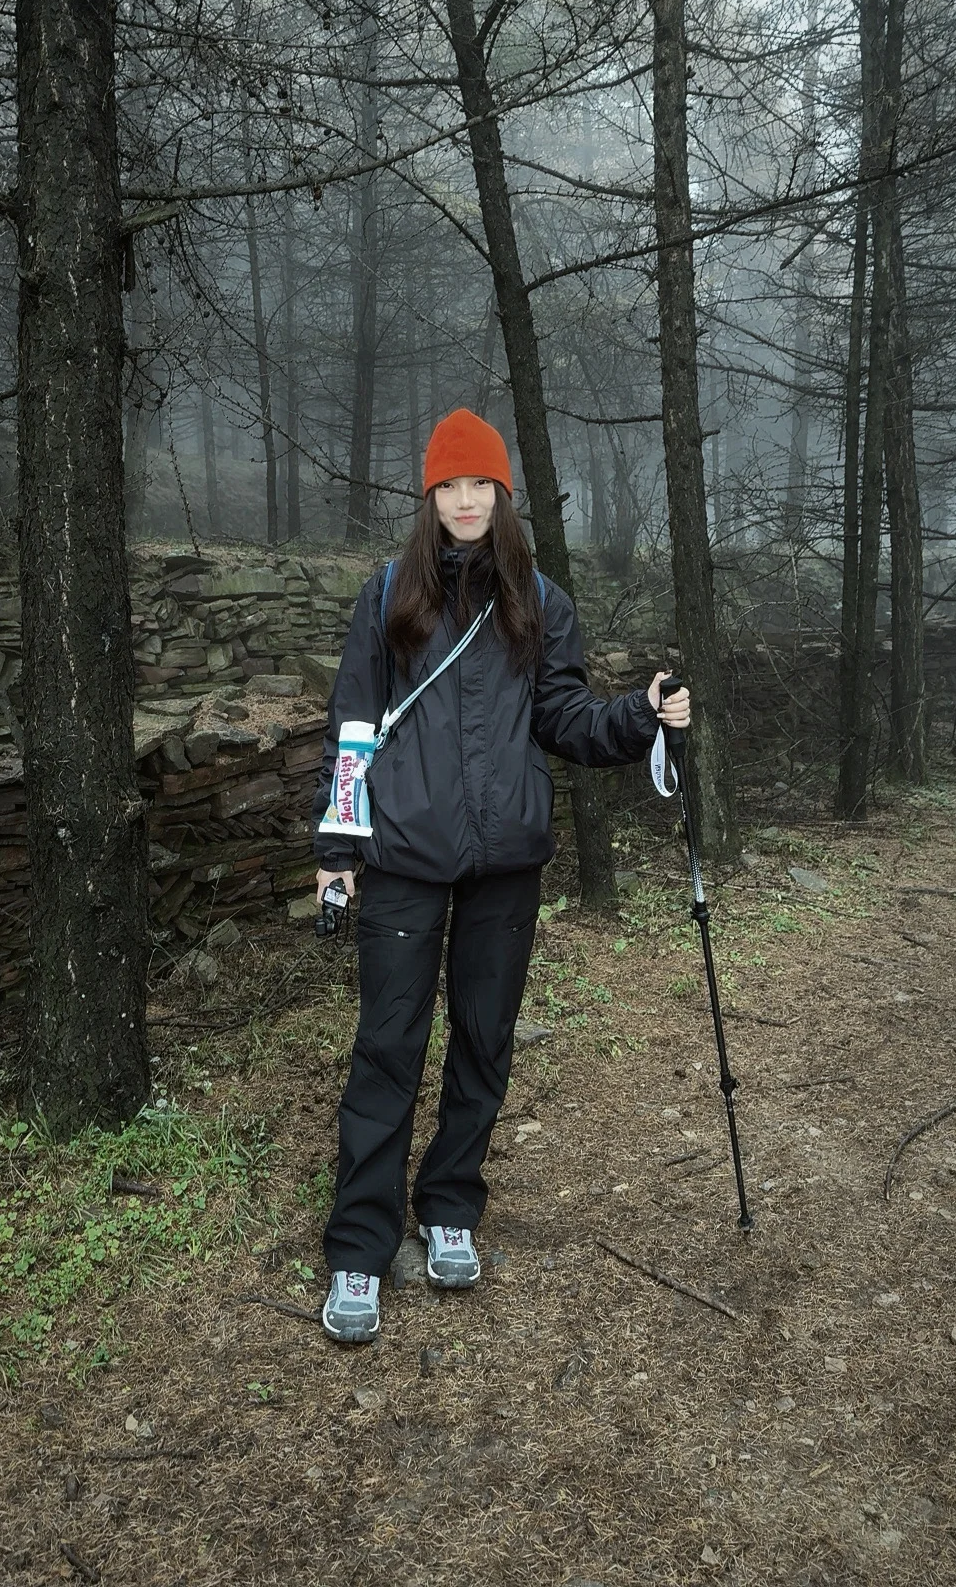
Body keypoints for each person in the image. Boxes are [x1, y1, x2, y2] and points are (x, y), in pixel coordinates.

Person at [311, 409, 690, 1343]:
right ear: (430, 496)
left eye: (481, 484)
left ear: (502, 493)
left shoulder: (540, 600)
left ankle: (450, 1206)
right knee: (388, 1048)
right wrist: (335, 852)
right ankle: (360, 1250)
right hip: (402, 858)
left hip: (505, 864)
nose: (467, 500)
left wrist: (639, 715)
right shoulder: (389, 593)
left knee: (483, 1041)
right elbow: (354, 725)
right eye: (450, 485)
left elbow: (563, 717)